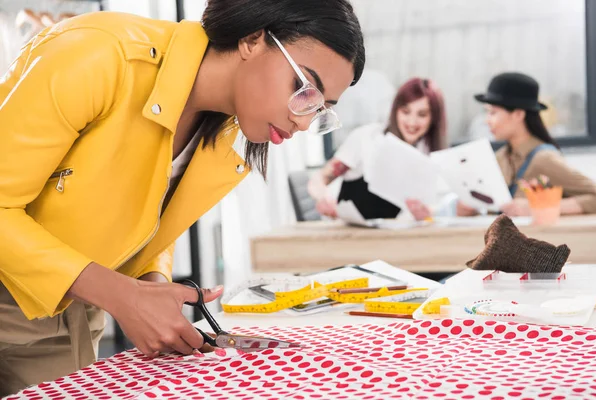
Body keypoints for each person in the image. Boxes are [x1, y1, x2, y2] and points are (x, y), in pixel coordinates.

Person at [0, 0, 365, 394]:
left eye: (321, 109)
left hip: (66, 317)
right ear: (253, 39)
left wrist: (152, 283)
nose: (304, 119)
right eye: (303, 88)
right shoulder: (97, 55)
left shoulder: (226, 130)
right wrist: (123, 296)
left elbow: (149, 210)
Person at [408, 72, 596, 220]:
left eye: (493, 113)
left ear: (518, 114)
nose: (487, 121)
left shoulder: (543, 159)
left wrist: (536, 207)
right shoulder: (500, 157)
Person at [308, 77, 447, 219]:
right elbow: (319, 179)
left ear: (433, 119)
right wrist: (322, 196)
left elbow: (433, 209)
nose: (412, 122)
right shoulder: (365, 138)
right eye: (406, 111)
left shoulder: (428, 154)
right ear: (396, 110)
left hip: (396, 235)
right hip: (351, 234)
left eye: (422, 115)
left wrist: (426, 214)